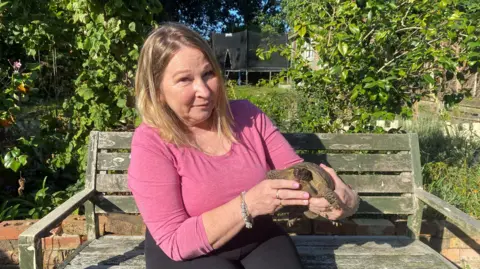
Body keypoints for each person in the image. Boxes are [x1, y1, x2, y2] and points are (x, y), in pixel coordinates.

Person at [127, 22, 360, 269]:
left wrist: (339, 200)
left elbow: (297, 173)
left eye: (208, 74)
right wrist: (247, 204)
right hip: (188, 250)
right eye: (185, 79)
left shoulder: (247, 116)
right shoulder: (151, 141)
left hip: (256, 236)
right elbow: (175, 240)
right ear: (158, 90)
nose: (204, 91)